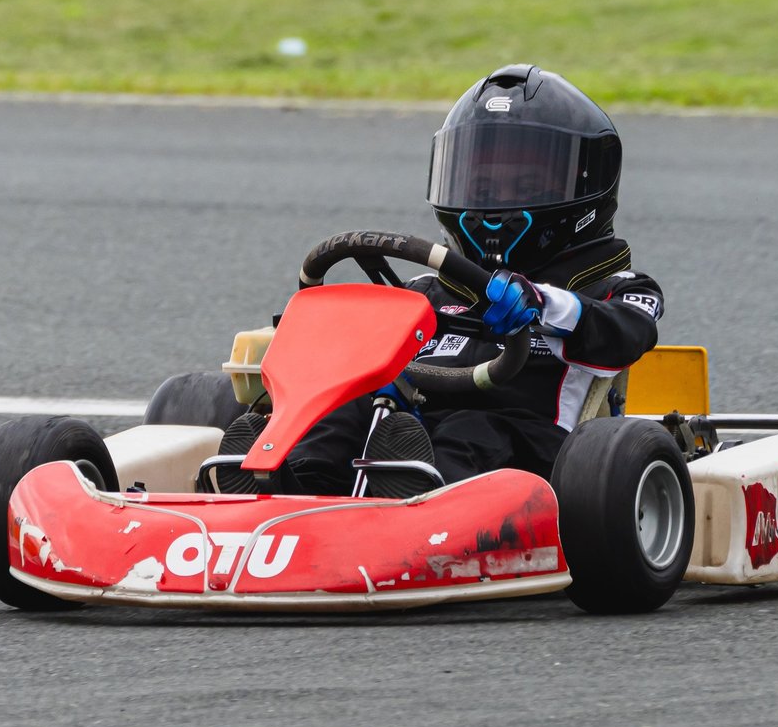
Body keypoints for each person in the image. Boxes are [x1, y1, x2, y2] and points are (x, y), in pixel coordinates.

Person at [222, 63, 666, 497]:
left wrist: (542, 303)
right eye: (484, 189)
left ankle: (415, 500)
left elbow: (628, 334)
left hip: (535, 451)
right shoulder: (424, 292)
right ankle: (291, 489)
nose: (495, 203)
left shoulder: (615, 289)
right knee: (343, 409)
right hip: (410, 432)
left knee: (469, 428)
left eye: (527, 185)